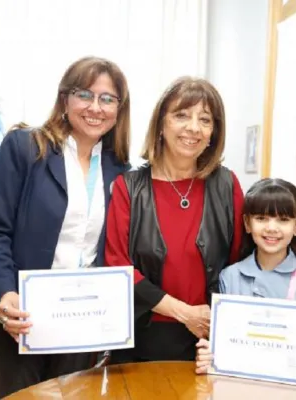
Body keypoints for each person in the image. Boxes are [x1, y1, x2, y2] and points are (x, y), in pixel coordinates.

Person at [0, 56, 131, 399]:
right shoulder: (25, 148)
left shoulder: (120, 169)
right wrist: (4, 295)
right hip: (19, 315)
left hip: (80, 320)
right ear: (65, 98)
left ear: (119, 108)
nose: (95, 107)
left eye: (107, 99)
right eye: (84, 94)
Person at [105, 76, 245, 363]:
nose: (193, 127)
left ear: (213, 133)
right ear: (161, 124)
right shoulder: (128, 187)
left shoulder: (227, 185)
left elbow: (239, 262)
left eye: (205, 120)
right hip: (140, 334)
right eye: (182, 115)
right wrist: (184, 313)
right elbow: (118, 265)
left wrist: (214, 317)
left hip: (209, 337)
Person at [194, 178, 296, 392]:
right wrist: (208, 354)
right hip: (238, 390)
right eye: (261, 218)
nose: (272, 228)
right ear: (248, 224)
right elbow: (223, 343)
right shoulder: (229, 277)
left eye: (283, 219)